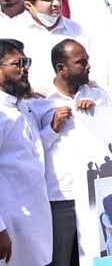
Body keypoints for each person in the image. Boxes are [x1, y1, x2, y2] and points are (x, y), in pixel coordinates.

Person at [36, 39, 109, 265]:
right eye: (81, 62)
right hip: (61, 195)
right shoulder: (40, 103)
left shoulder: (98, 95)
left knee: (94, 257)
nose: (88, 66)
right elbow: (33, 150)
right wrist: (52, 128)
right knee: (61, 257)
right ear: (61, 69)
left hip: (93, 193)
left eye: (87, 60)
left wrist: (99, 115)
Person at [0, 39, 53, 266]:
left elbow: (30, 152)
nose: (25, 69)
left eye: (26, 61)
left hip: (34, 214)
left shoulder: (21, 105)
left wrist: (53, 130)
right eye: (17, 63)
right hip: (10, 220)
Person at [18, 0, 86, 95]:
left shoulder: (77, 30)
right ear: (29, 5)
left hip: (75, 103)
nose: (56, 3)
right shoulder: (15, 33)